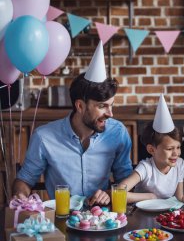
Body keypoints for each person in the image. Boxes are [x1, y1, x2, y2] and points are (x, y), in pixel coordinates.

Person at [12, 41, 133, 206]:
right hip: (62, 220)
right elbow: (24, 180)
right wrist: (21, 196)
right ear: (80, 106)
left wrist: (110, 193)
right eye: (102, 106)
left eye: (111, 105)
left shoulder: (118, 133)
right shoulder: (44, 137)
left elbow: (125, 180)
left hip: (104, 219)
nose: (110, 114)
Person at [119, 94, 184, 203]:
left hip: (166, 216)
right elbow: (119, 192)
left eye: (178, 147)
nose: (176, 153)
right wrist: (150, 197)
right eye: (169, 149)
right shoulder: (145, 168)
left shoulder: (180, 164)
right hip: (141, 216)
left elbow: (179, 198)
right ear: (151, 150)